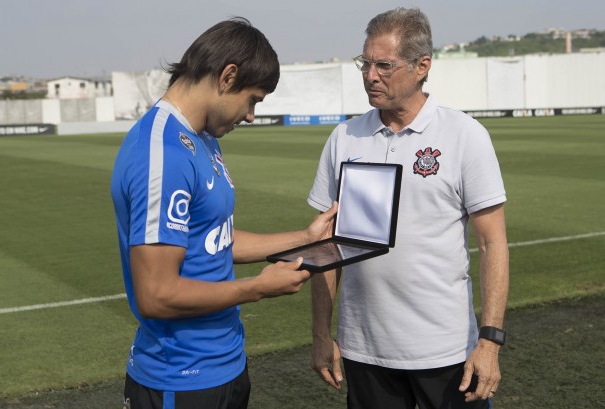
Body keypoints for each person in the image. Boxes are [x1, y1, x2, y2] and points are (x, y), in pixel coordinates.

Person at [111, 17, 337, 409]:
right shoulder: (164, 153)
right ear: (228, 76)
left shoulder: (202, 137)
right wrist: (257, 288)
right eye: (253, 100)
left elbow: (213, 240)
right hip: (179, 380)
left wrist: (306, 238)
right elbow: (156, 295)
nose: (250, 115)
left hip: (226, 367)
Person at [308, 7, 509, 409]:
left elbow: (492, 244)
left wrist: (489, 340)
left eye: (384, 65)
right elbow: (326, 242)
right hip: (365, 350)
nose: (370, 75)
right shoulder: (345, 136)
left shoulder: (464, 135)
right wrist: (320, 333)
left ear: (422, 66)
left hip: (447, 351)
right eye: (366, 63)